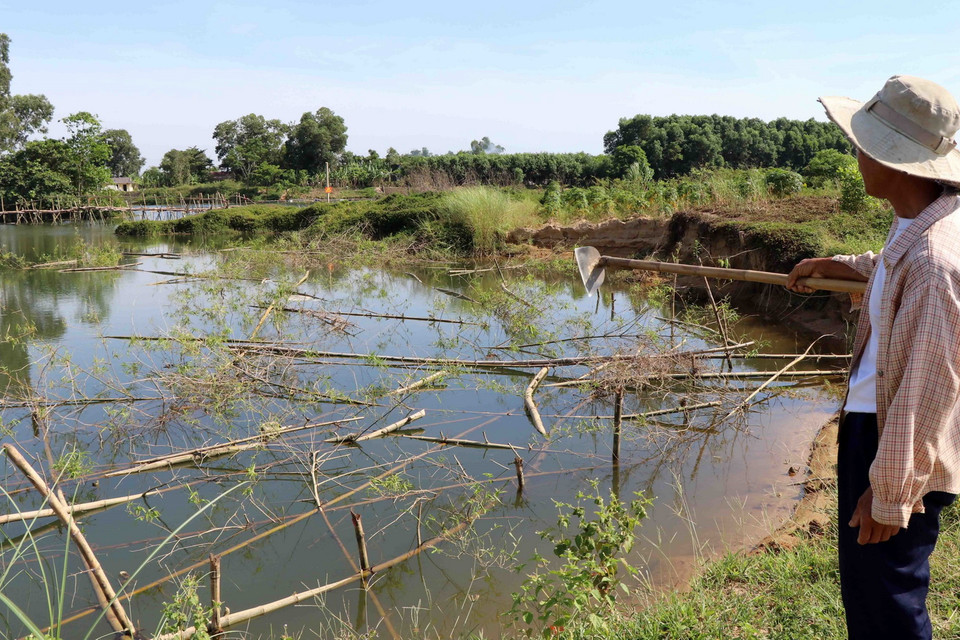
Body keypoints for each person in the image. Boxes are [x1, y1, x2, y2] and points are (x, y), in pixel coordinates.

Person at [786, 75, 960, 639]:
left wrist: (889, 492)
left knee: (885, 604)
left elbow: (926, 386)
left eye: (864, 145)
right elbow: (893, 263)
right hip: (886, 436)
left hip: (891, 440)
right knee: (877, 592)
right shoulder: (925, 221)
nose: (856, 154)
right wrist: (846, 266)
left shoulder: (935, 263)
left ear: (897, 161)